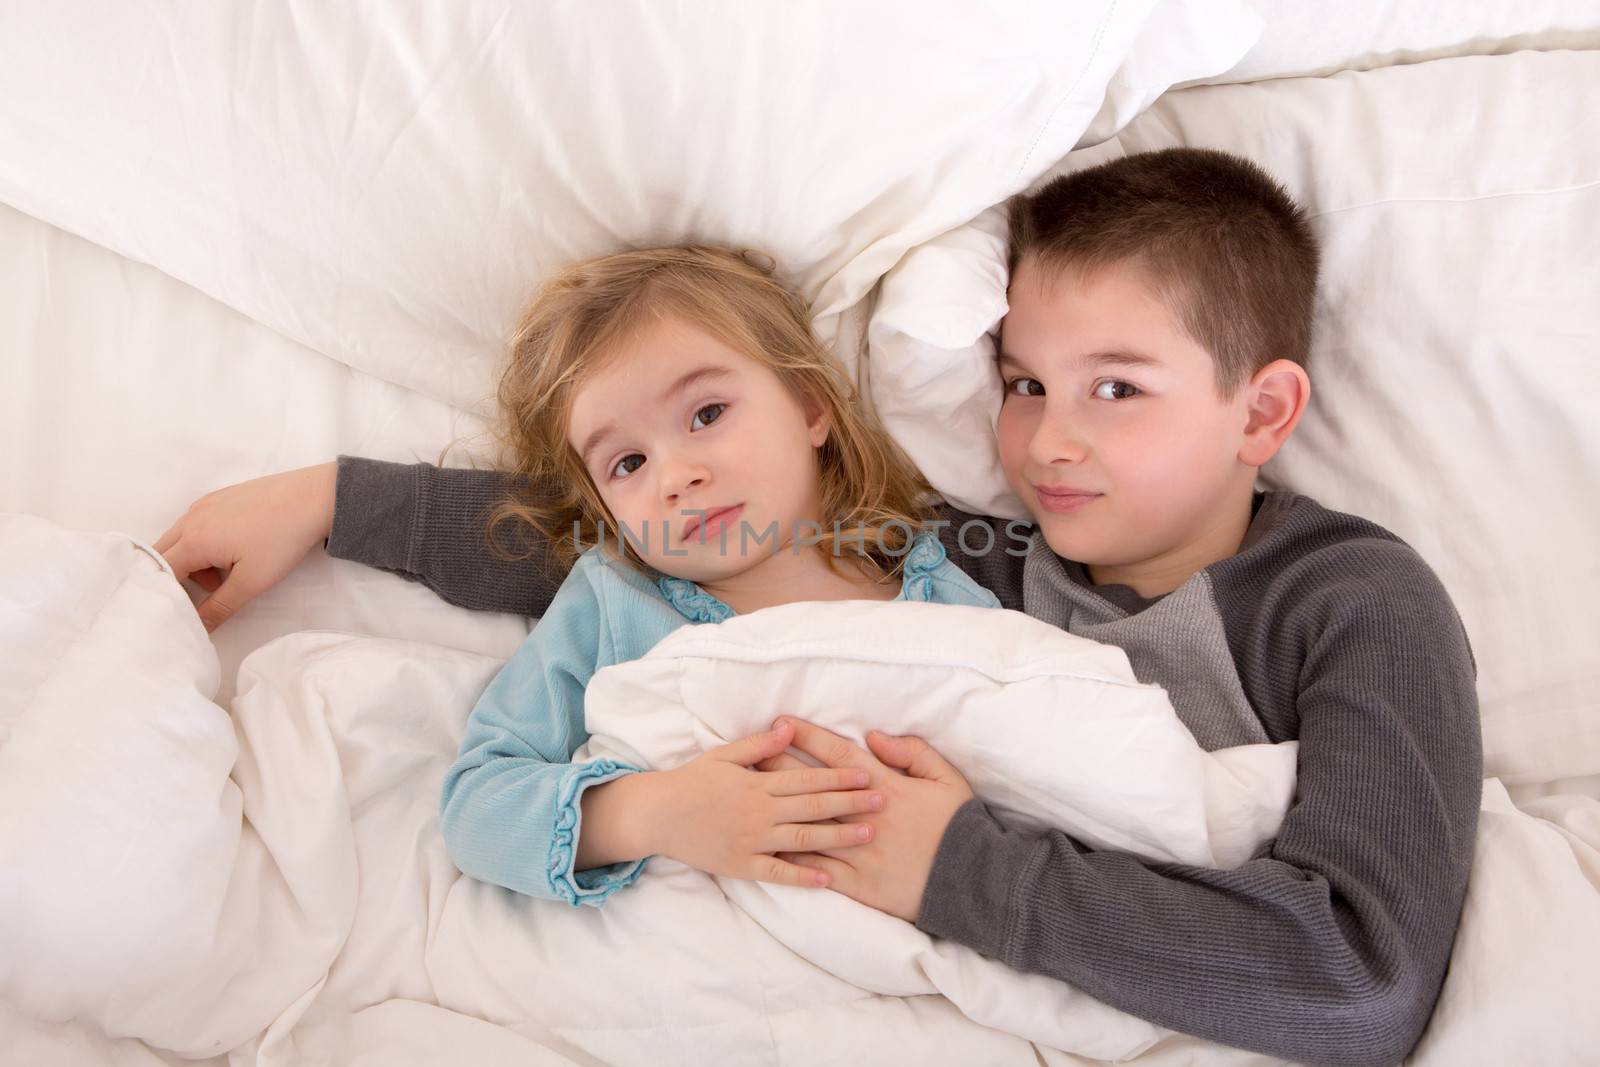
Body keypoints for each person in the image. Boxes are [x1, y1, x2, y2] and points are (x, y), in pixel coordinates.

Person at [156, 149, 1481, 1064]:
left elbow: (1361, 982)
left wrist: (946, 863)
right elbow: (660, 550)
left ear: (1264, 411)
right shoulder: (988, 555)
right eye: (1022, 384)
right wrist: (326, 500)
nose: (1049, 443)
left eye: (1114, 388)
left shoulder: (1355, 604)